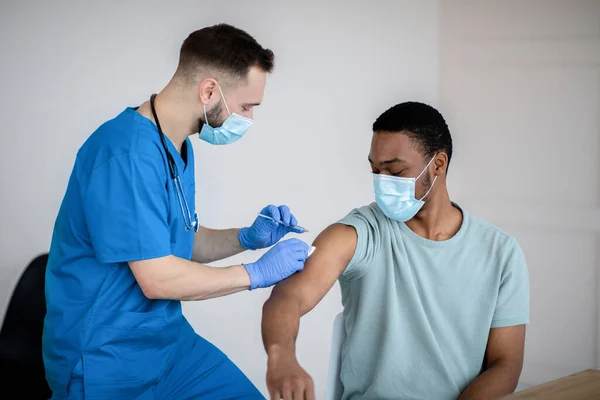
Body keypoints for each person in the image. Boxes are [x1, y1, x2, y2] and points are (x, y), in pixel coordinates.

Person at [43, 23, 310, 400]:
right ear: (209, 90)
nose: (249, 119)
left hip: (167, 345)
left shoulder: (178, 147)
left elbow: (180, 238)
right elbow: (158, 279)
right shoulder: (125, 153)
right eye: (247, 105)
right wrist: (256, 273)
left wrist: (247, 237)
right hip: (105, 355)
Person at [262, 102, 530, 400]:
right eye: (375, 170)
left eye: (395, 170)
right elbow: (287, 297)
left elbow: (505, 364)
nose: (382, 182)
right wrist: (280, 357)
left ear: (438, 165)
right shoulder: (360, 233)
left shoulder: (500, 253)